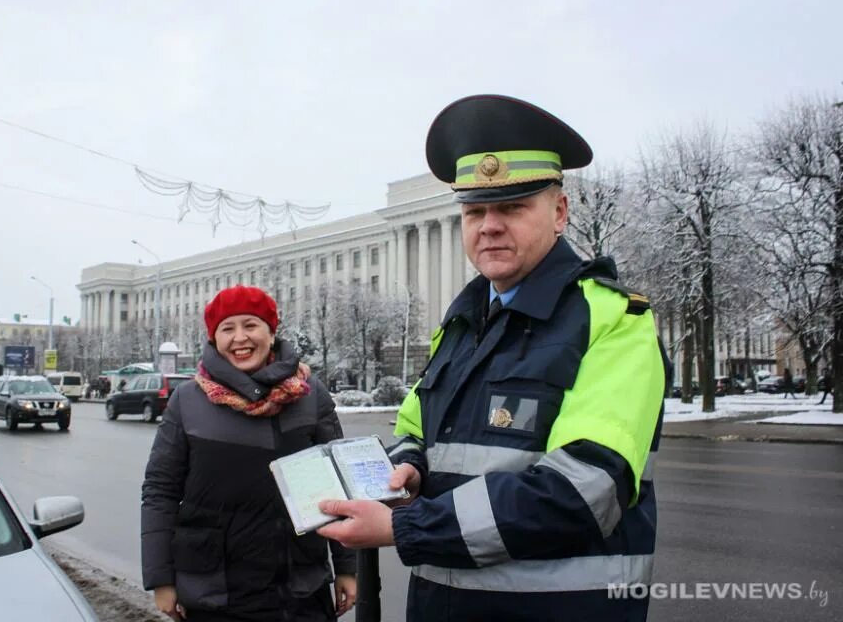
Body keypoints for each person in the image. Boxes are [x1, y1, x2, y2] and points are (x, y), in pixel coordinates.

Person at [317, 95, 669, 621]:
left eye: (512, 207)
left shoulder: (616, 321)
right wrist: (408, 464)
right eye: (475, 211)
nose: (489, 226)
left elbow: (582, 489)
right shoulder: (461, 325)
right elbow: (417, 427)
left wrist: (402, 528)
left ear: (559, 212)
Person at [141, 285, 356, 621]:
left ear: (271, 332)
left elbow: (340, 485)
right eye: (228, 328)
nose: (240, 338)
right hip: (217, 596)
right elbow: (160, 491)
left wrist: (347, 567)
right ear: (214, 340)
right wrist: (161, 579)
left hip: (300, 591)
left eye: (251, 325)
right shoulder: (187, 401)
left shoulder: (311, 395)